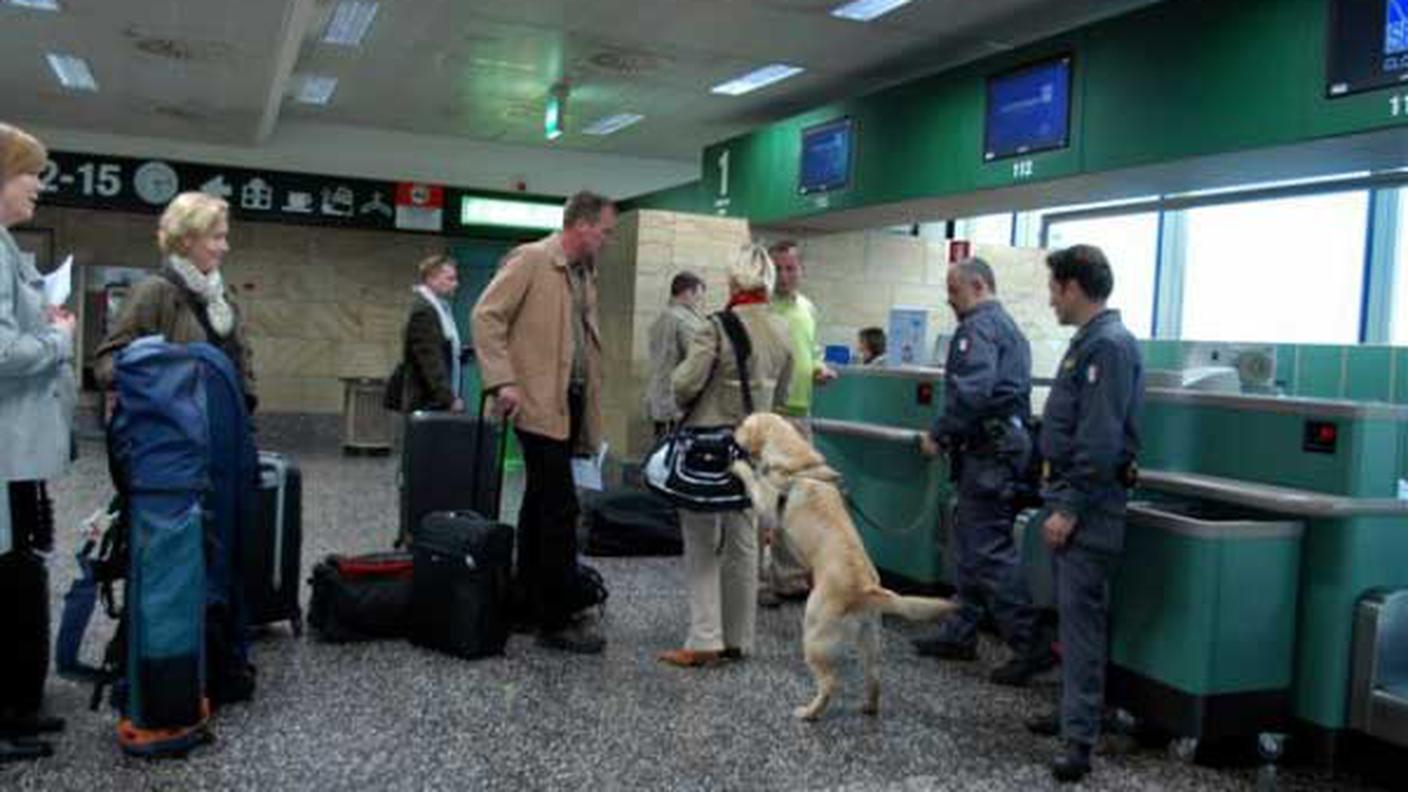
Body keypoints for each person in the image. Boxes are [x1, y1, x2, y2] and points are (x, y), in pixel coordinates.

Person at [472, 190, 616, 655]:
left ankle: (526, 602)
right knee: (559, 508)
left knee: (538, 504)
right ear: (583, 225)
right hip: (536, 402)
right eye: (606, 231)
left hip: (567, 404)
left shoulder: (583, 274)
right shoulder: (533, 260)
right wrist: (501, 381)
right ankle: (557, 618)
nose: (609, 240)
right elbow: (486, 316)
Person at [1026, 244, 1144, 783]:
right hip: (1073, 501)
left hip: (1090, 511)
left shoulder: (1109, 348)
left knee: (1082, 624)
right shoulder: (1091, 343)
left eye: (1054, 288)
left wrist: (1069, 508)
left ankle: (1080, 741)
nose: (1051, 299)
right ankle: (1076, 713)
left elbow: (1099, 440)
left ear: (1073, 287)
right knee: (1073, 622)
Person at [912, 258, 1053, 686]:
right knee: (972, 542)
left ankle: (1031, 646)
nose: (949, 300)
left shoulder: (977, 329)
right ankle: (961, 629)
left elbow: (972, 391)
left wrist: (938, 433)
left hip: (988, 451)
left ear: (977, 286)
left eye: (953, 291)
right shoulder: (1009, 326)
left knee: (988, 548)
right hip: (1004, 446)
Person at [660, 244, 793, 668]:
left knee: (701, 540)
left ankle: (704, 639)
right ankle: (739, 638)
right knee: (743, 542)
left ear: (734, 281)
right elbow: (783, 396)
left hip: (708, 447)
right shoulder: (783, 329)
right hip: (754, 448)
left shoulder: (715, 327)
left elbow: (683, 385)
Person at [0, 122, 75, 763]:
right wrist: (56, 339)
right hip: (3, 447)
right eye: (32, 176)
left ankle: (16, 706)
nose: (39, 190)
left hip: (13, 451)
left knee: (17, 572)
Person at [95, 191, 255, 410]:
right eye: (216, 237)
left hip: (223, 427)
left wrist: (247, 406)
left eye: (225, 237)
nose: (225, 247)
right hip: (173, 430)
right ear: (187, 239)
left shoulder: (224, 297)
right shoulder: (155, 291)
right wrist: (165, 386)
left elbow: (241, 363)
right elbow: (108, 364)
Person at [761, 240, 836, 606]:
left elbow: (810, 350)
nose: (786, 276)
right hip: (772, 415)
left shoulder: (807, 308)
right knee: (767, 500)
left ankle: (788, 578)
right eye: (779, 268)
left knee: (797, 500)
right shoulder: (761, 308)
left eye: (792, 268)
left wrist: (818, 367)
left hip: (801, 413)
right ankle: (759, 581)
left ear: (801, 270)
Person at [400, 253, 465, 414]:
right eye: (450, 279)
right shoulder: (425, 311)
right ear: (431, 279)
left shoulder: (439, 308)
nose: (456, 284)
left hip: (432, 399)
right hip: (428, 402)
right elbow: (429, 360)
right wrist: (448, 398)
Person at [645, 271, 706, 439]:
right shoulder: (685, 321)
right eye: (697, 297)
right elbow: (697, 359)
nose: (697, 303)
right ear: (687, 292)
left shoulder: (660, 318)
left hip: (658, 398)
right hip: (676, 403)